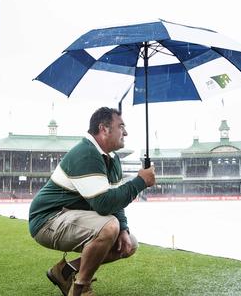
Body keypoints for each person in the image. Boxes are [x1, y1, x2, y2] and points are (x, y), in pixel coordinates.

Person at [28, 107, 156, 296]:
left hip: (69, 216)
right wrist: (140, 182)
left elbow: (115, 199)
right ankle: (81, 288)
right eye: (121, 126)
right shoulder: (86, 154)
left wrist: (123, 228)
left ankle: (65, 271)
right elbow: (104, 204)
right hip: (48, 220)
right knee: (109, 226)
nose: (126, 132)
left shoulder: (112, 158)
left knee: (129, 243)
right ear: (104, 129)